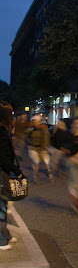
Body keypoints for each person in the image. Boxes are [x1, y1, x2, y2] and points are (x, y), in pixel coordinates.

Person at [0, 101, 23, 250]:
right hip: (1, 173)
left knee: (4, 204)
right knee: (1, 207)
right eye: (11, 114)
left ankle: (5, 235)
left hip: (3, 172)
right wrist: (18, 171)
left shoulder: (3, 130)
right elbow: (3, 157)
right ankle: (1, 241)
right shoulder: (1, 132)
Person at [26, 114, 53, 185]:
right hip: (33, 148)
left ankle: (48, 172)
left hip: (42, 148)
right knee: (36, 162)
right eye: (34, 122)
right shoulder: (30, 130)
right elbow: (25, 137)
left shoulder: (44, 131)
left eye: (37, 122)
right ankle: (36, 177)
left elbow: (46, 140)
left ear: (40, 122)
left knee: (47, 162)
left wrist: (43, 148)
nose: (35, 124)